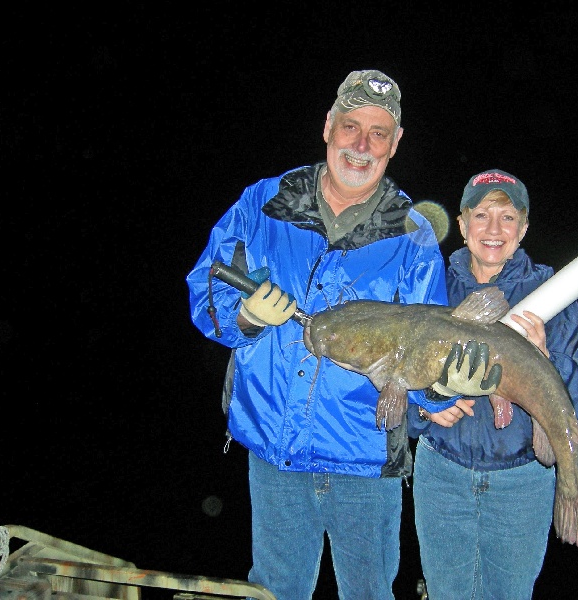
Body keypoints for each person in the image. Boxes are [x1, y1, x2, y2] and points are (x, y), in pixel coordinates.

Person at [186, 69, 479, 600]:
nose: (361, 145)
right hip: (274, 455)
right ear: (328, 126)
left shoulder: (413, 237)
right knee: (274, 592)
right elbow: (205, 287)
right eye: (351, 126)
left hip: (365, 460)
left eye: (378, 133)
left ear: (396, 143)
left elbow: (431, 352)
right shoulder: (262, 203)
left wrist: (444, 389)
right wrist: (246, 316)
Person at [408, 169, 578, 599]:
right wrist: (423, 409)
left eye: (507, 216)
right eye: (481, 215)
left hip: (523, 482)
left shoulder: (552, 292)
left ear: (524, 226)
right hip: (441, 475)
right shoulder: (429, 285)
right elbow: (393, 377)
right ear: (461, 225)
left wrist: (546, 360)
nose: (494, 230)